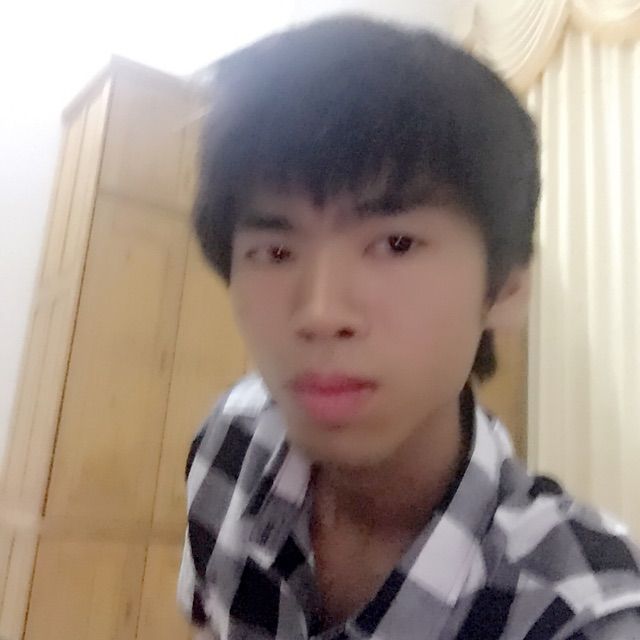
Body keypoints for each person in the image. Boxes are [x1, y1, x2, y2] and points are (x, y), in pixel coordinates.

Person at [177, 15, 640, 639]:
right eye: (276, 251)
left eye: (395, 244)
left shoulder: (578, 615)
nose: (320, 313)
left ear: (506, 289)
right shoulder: (231, 442)